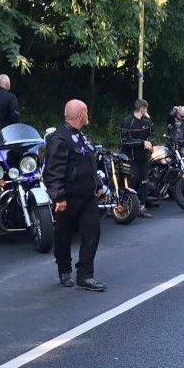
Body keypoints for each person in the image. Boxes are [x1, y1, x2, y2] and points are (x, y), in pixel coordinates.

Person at [43, 99, 105, 292]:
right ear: (80, 115)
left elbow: (90, 165)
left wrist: (100, 185)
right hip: (68, 198)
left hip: (87, 197)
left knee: (92, 233)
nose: (88, 116)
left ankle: (85, 276)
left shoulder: (83, 137)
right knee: (64, 236)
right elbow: (52, 171)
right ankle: (64, 269)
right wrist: (58, 196)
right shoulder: (59, 139)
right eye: (86, 112)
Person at [120, 99, 154, 217]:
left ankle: (142, 207)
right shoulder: (127, 121)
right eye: (146, 108)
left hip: (144, 157)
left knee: (144, 181)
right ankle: (128, 206)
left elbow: (152, 134)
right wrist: (142, 143)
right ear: (142, 108)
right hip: (131, 158)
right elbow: (124, 141)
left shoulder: (147, 121)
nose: (147, 111)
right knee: (132, 182)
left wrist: (150, 143)